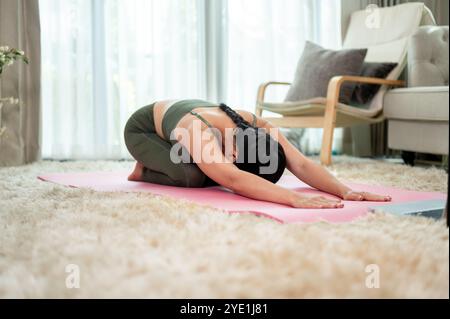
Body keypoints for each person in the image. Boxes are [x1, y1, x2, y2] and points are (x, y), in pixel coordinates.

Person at [124, 99, 391, 209]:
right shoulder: (198, 129)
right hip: (144, 131)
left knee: (213, 170)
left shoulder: (255, 124)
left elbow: (299, 162)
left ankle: (188, 160)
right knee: (192, 176)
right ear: (237, 154)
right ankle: (143, 169)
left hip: (182, 130)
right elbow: (235, 180)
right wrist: (293, 198)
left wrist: (344, 190)